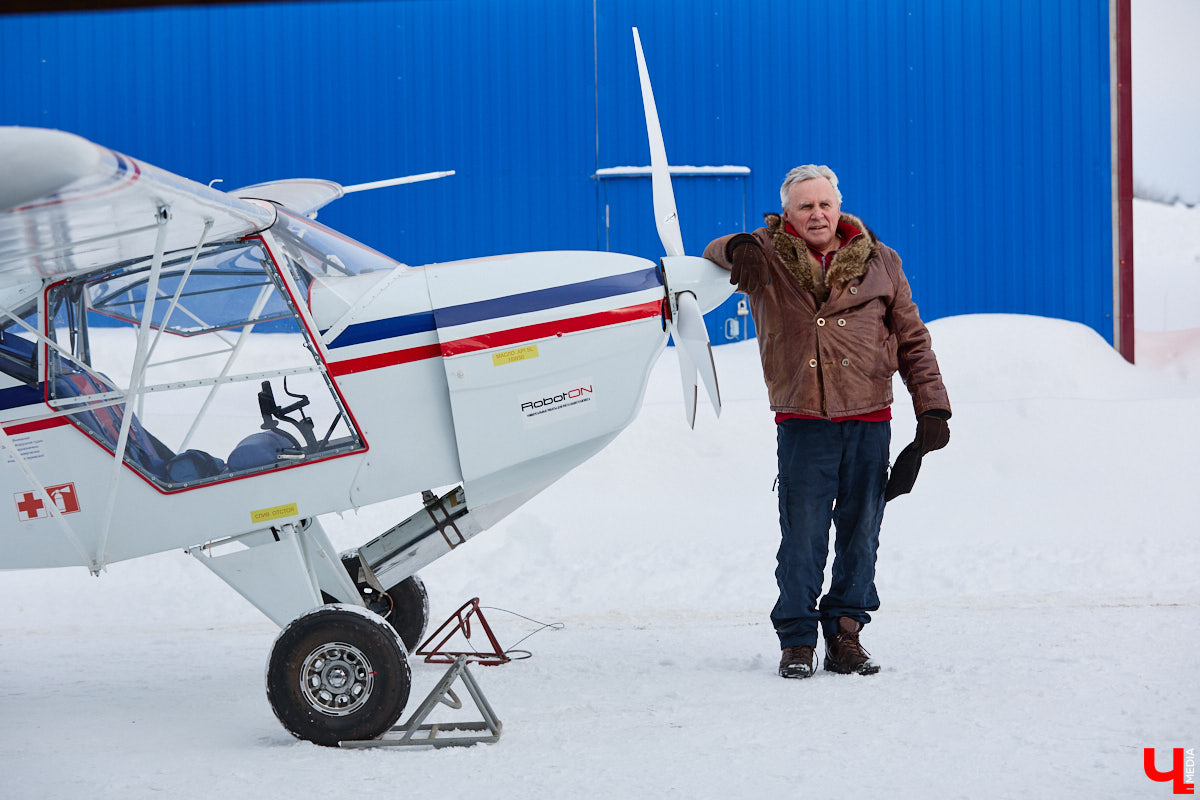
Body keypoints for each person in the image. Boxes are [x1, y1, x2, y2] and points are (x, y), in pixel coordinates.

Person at [703, 165, 951, 679]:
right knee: (802, 538)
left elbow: (912, 339)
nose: (816, 214)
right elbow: (713, 252)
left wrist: (931, 408)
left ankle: (844, 634)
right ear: (788, 213)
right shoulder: (765, 256)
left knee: (862, 534)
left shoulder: (882, 261)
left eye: (824, 204)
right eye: (804, 206)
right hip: (802, 422)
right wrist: (738, 246)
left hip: (868, 419)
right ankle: (796, 641)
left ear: (838, 207)